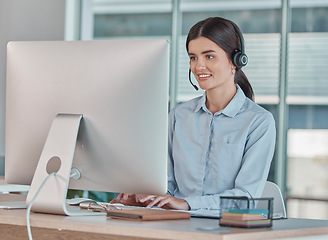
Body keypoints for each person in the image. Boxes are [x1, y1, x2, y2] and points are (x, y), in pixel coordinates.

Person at [110, 17, 276, 211]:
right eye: (193, 57)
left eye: (209, 56)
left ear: (236, 61)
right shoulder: (178, 116)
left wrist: (188, 204)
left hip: (226, 228)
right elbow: (167, 187)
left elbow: (245, 197)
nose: (199, 66)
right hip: (176, 224)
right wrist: (145, 200)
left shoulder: (258, 122)